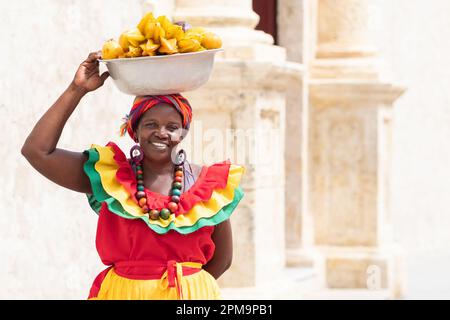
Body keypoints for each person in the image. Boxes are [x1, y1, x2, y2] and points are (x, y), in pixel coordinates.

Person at [21, 51, 245, 300]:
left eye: (172, 127)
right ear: (134, 131)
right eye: (150, 125)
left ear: (183, 133)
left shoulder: (208, 185)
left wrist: (186, 287)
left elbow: (223, 259)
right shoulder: (109, 178)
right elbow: (37, 151)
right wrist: (77, 89)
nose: (162, 133)